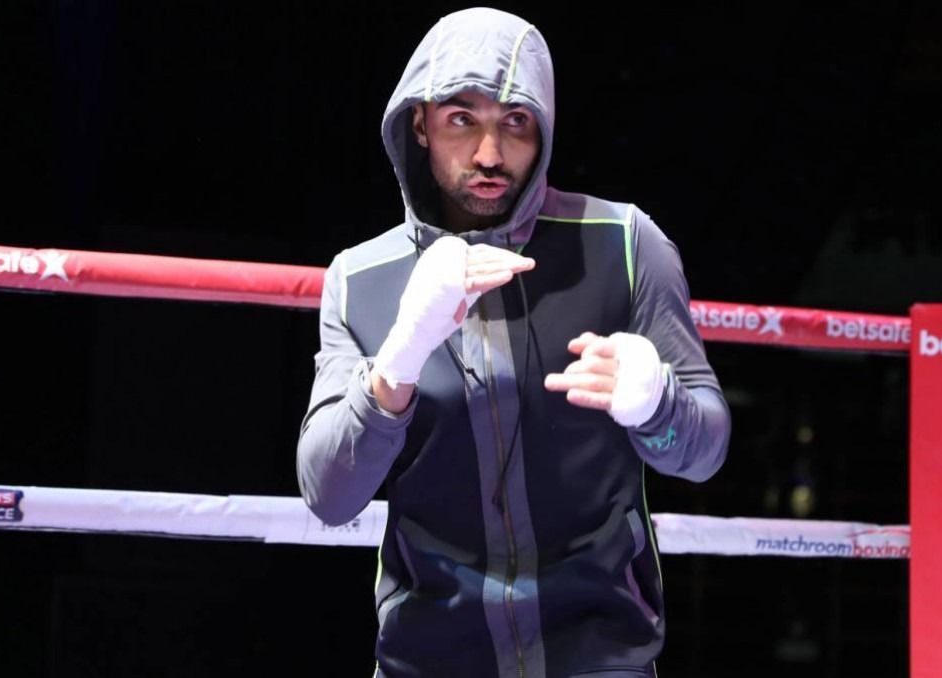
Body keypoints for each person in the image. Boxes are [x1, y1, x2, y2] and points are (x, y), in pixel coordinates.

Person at [297, 8, 730, 677]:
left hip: (599, 658)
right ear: (420, 123)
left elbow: (705, 451)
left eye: (515, 122)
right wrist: (399, 360)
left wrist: (658, 404)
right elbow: (328, 494)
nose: (490, 155)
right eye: (462, 120)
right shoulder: (361, 278)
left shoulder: (623, 243)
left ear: (544, 128)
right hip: (426, 660)